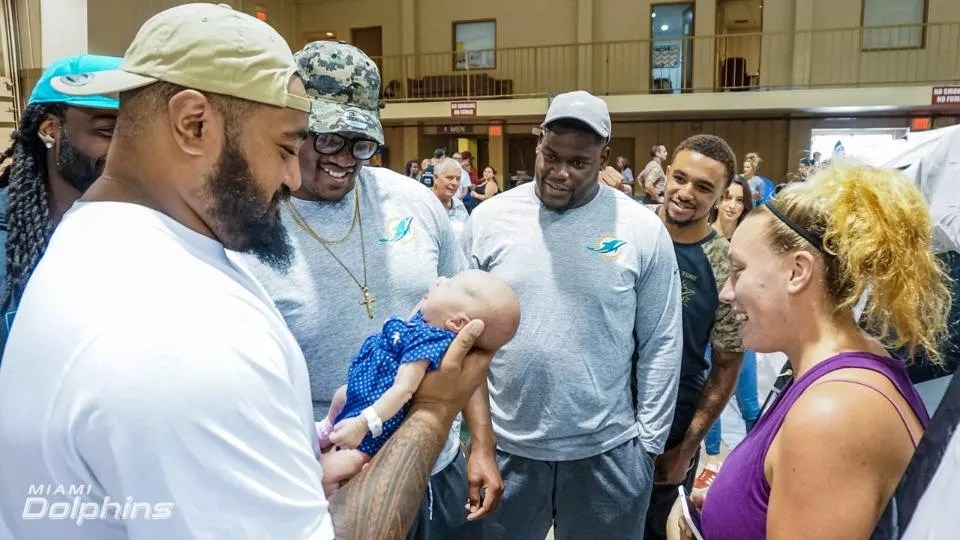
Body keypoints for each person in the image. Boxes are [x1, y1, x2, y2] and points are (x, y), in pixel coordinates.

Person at [0, 5, 496, 539]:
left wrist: (293, 472)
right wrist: (434, 411)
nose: (292, 176)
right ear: (192, 124)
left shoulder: (102, 244)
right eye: (286, 146)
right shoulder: (182, 337)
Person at [243, 40, 502, 539]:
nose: (346, 158)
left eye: (361, 143)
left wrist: (483, 445)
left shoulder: (412, 203)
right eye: (328, 140)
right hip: (325, 475)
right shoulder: (250, 224)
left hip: (435, 462)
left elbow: (468, 337)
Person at [688, 163, 951, 539]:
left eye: (738, 270)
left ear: (798, 272)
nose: (727, 292)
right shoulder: (837, 372)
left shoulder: (834, 412)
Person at [464, 90, 684, 539]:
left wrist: (647, 445)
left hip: (608, 451)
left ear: (604, 158)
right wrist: (476, 439)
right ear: (539, 143)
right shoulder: (489, 220)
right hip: (506, 448)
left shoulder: (641, 229)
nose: (560, 172)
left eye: (579, 162)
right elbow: (462, 338)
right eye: (551, 156)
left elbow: (662, 338)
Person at [644, 134, 745, 540]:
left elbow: (726, 365)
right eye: (680, 178)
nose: (686, 193)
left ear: (722, 196)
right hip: (603, 416)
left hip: (672, 423)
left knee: (655, 530)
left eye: (703, 187)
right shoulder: (630, 232)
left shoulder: (723, 262)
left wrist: (685, 450)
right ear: (667, 174)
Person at [319, 270, 520, 459]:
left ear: (458, 323)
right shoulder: (426, 321)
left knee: (345, 462)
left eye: (449, 285)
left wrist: (363, 423)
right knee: (341, 396)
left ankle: (333, 440)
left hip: (378, 413)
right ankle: (326, 429)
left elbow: (402, 389)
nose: (441, 279)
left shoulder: (427, 345)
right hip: (364, 391)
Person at [0, 54, 121, 348]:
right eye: (107, 131)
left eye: (136, 136)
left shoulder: (151, 233)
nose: (125, 151)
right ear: (50, 129)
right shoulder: (7, 237)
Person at [697, 175, 758, 484]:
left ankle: (756, 463)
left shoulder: (751, 243)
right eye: (727, 197)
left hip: (743, 332)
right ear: (718, 200)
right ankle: (712, 462)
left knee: (750, 403)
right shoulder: (703, 241)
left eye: (739, 199)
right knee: (711, 399)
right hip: (707, 333)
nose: (732, 205)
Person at [431, 157, 470, 242]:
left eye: (458, 179)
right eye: (449, 178)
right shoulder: (424, 204)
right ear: (435, 178)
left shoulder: (459, 205)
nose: (455, 183)